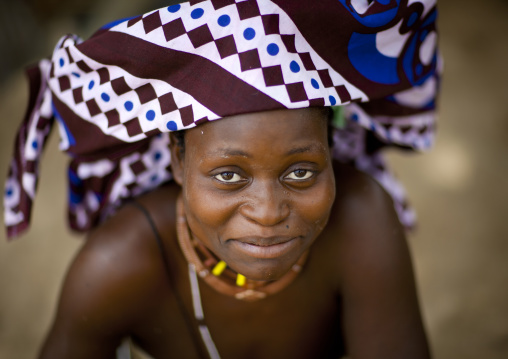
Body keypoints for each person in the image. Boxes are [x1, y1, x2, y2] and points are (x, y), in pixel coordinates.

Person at [4, 1, 440, 358]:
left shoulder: (361, 222)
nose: (268, 213)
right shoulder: (119, 265)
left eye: (301, 171)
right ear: (178, 161)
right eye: (229, 175)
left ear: (331, 148)